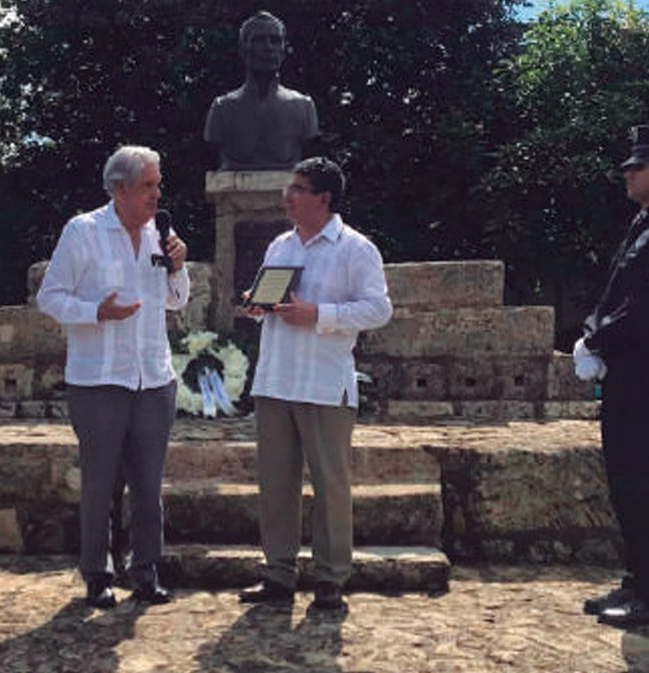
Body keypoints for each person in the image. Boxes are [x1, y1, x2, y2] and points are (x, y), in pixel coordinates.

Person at [37, 145, 190, 608]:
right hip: (99, 379)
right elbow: (51, 296)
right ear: (119, 189)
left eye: (158, 185)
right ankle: (98, 574)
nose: (156, 195)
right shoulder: (83, 231)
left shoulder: (158, 236)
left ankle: (145, 572)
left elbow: (177, 301)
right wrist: (95, 312)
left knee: (148, 484)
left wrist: (179, 267)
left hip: (153, 377)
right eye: (148, 186)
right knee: (100, 482)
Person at [238, 157, 392, 610]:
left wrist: (319, 316)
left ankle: (329, 579)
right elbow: (269, 296)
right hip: (276, 380)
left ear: (324, 199)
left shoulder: (355, 248)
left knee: (331, 487)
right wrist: (257, 304)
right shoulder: (279, 246)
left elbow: (378, 310)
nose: (288, 196)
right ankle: (278, 574)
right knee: (276, 485)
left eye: (299, 189)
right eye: (290, 187)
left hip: (325, 384)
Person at [575, 125, 649, 628]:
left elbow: (644, 310)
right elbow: (615, 294)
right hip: (627, 374)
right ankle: (638, 580)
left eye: (637, 166)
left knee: (641, 482)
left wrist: (597, 342)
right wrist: (590, 332)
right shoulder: (640, 223)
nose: (627, 173)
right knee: (627, 483)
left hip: (642, 375)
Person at [204, 11, 319, 171]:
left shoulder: (304, 107)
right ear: (243, 49)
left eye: (275, 40)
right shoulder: (222, 108)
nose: (268, 47)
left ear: (284, 51)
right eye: (259, 40)